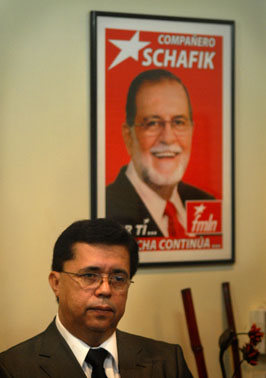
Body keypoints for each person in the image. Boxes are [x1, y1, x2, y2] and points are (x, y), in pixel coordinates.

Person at [0, 218, 193, 377]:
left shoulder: (167, 362)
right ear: (56, 283)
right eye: (89, 276)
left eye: (118, 278)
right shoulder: (13, 369)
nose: (105, 290)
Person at [106, 69, 214, 238]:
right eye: (153, 123)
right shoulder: (107, 208)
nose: (168, 138)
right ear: (128, 136)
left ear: (192, 130)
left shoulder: (207, 203)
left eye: (179, 122)